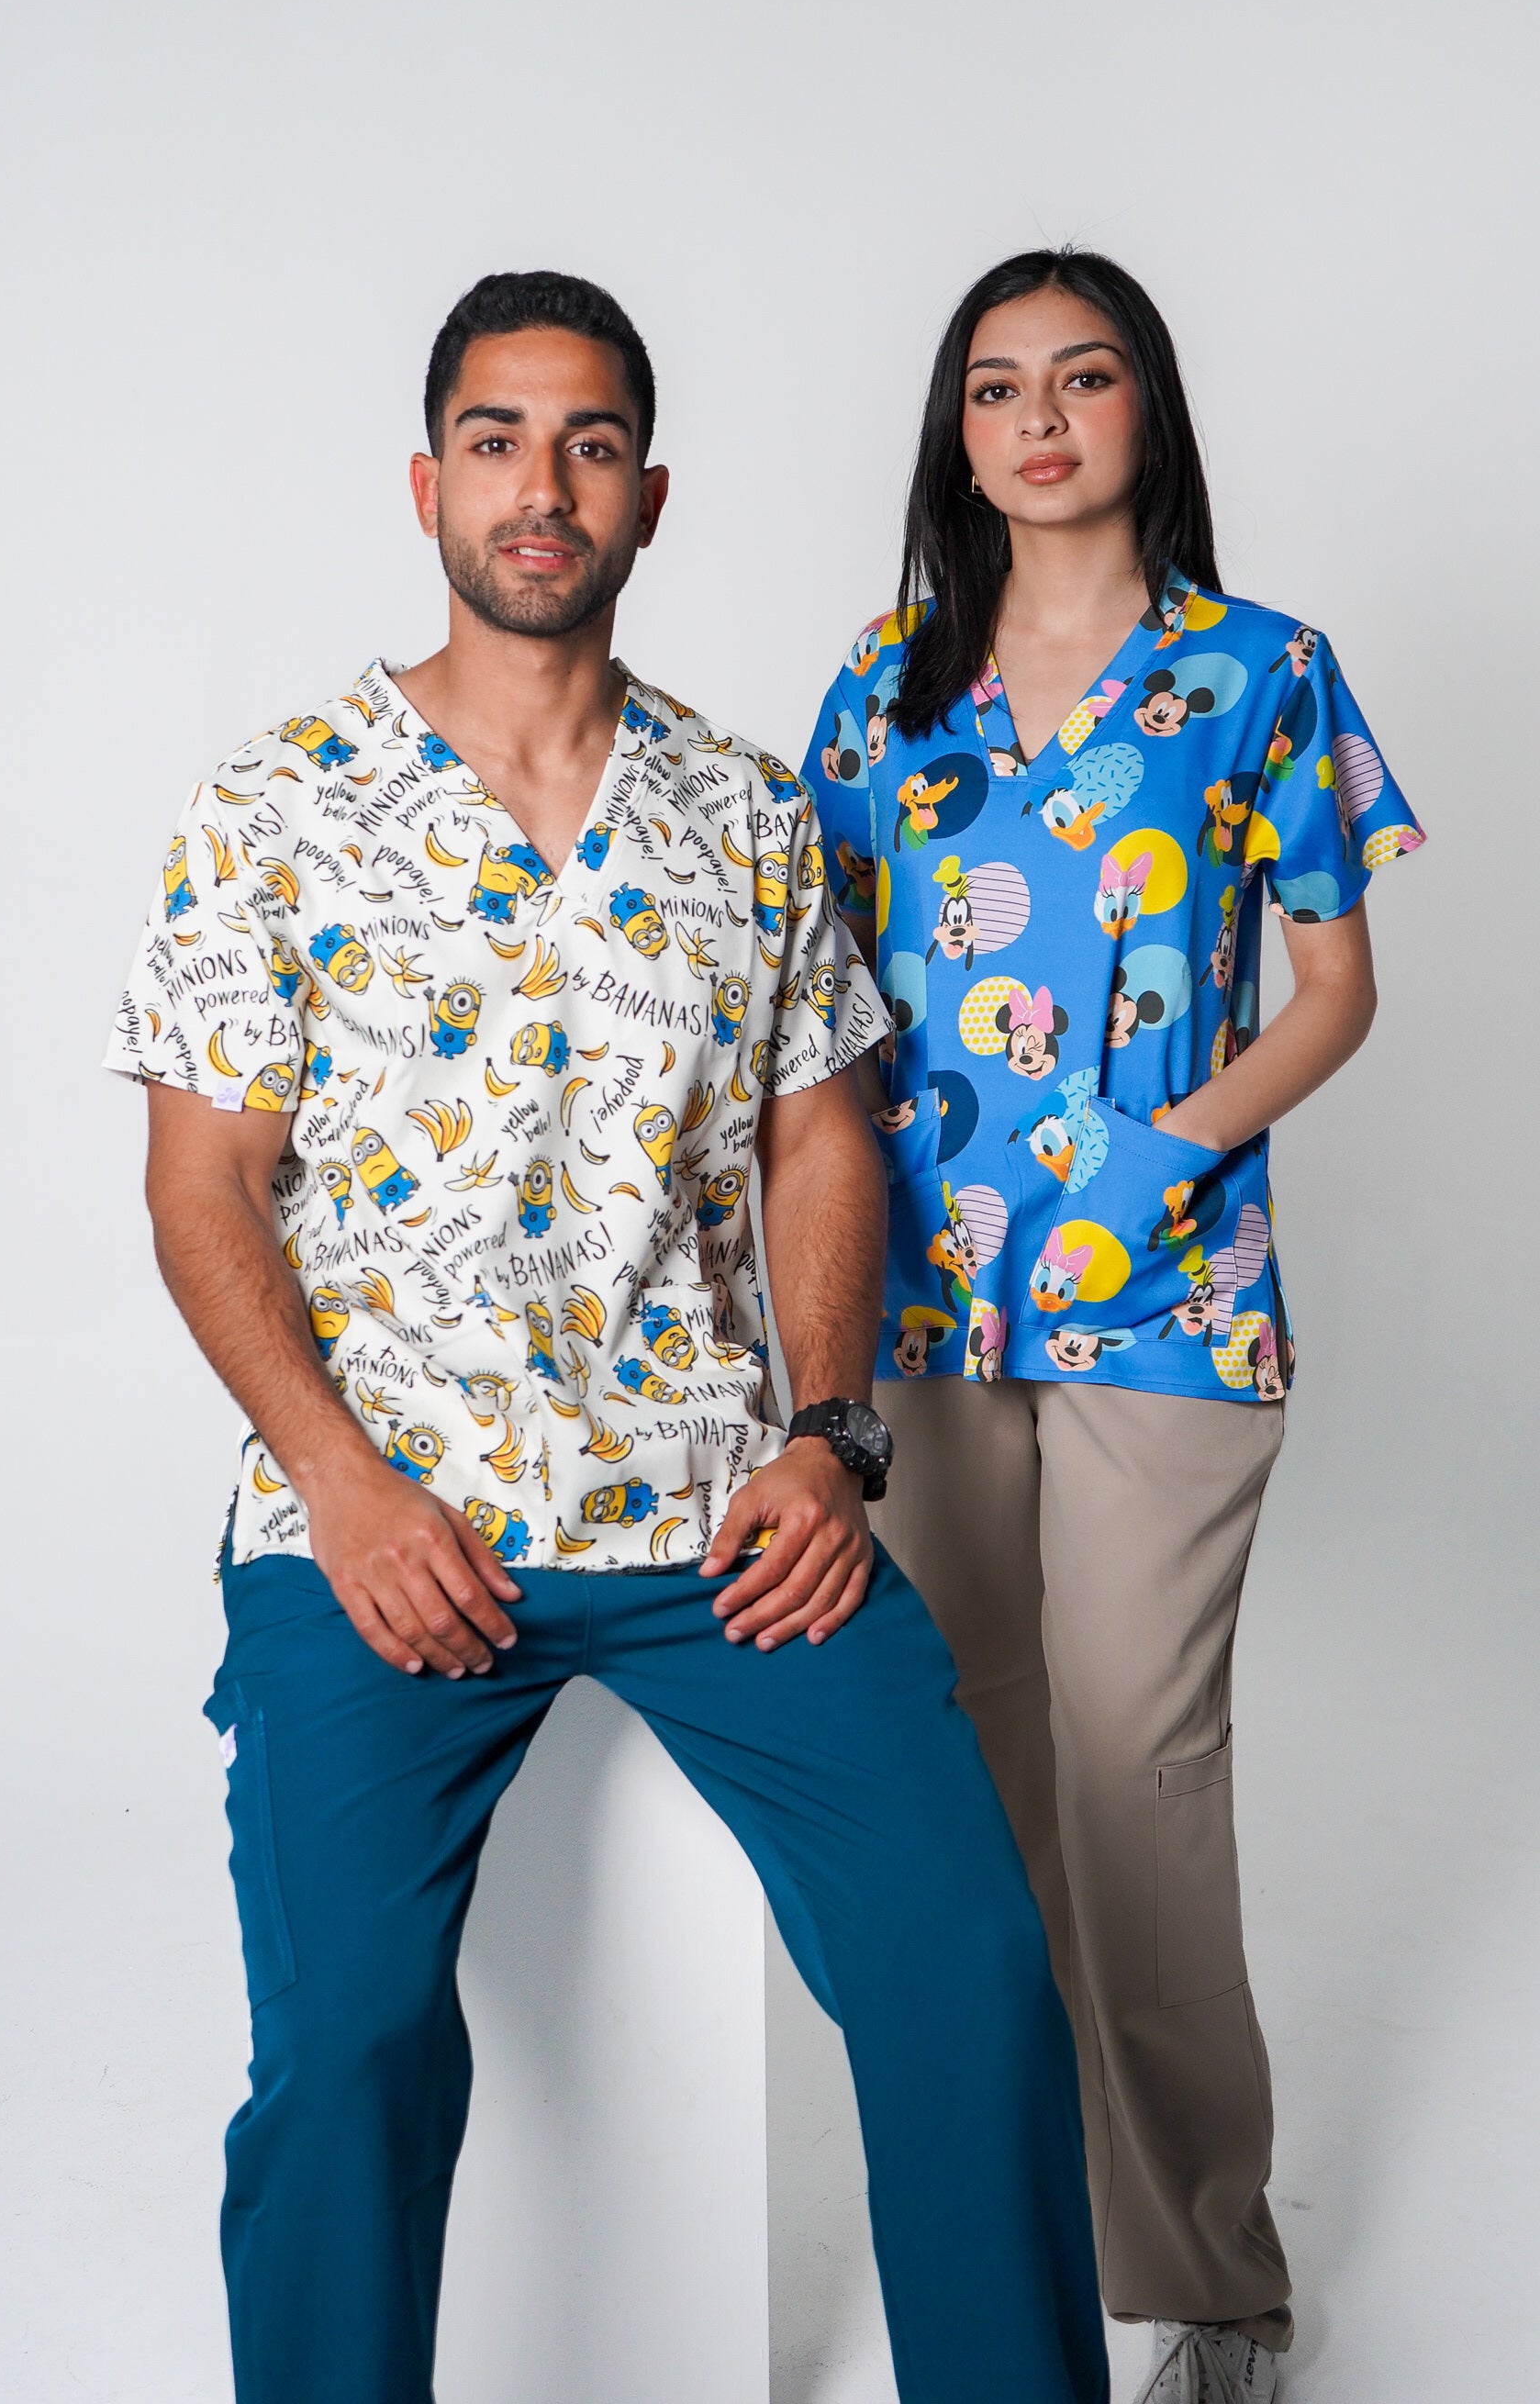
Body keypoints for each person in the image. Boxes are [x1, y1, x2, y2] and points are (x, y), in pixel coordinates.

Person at [105, 270, 1109, 2404]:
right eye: (496, 439)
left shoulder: (742, 808)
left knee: (967, 1968)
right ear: (427, 486)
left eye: (586, 445)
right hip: (380, 1525)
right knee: (353, 2040)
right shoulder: (272, 808)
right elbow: (202, 1192)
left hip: (714, 1513)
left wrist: (828, 1434)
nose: (540, 486)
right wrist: (342, 1483)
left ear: (650, 495)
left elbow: (821, 1139)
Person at [801, 248, 1423, 2404]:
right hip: (915, 1317)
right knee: (974, 1791)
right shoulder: (882, 683)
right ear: (955, 432)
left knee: (1132, 1781)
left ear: (1147, 407)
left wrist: (1170, 1149)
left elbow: (1333, 992)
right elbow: (813, 1005)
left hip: (1167, 1307)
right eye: (995, 387)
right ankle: (1012, 2238)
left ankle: (1212, 2280)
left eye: (1081, 378)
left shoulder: (1258, 672)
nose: (1038, 419)